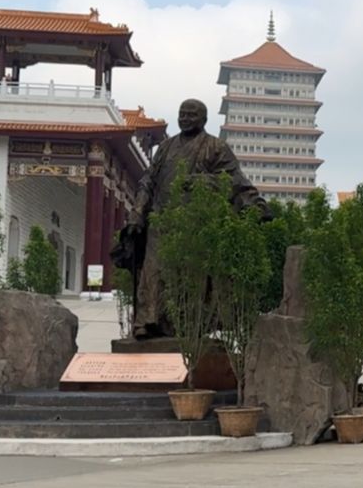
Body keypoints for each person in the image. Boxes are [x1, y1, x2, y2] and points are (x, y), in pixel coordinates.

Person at [114, 99, 269, 339]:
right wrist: (137, 214)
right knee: (152, 273)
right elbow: (148, 182)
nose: (185, 119)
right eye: (182, 114)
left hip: (194, 226)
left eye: (191, 115)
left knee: (187, 278)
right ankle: (147, 322)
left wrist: (206, 181)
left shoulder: (216, 147)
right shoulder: (165, 148)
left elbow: (234, 181)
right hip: (161, 221)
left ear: (204, 120)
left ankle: (183, 326)